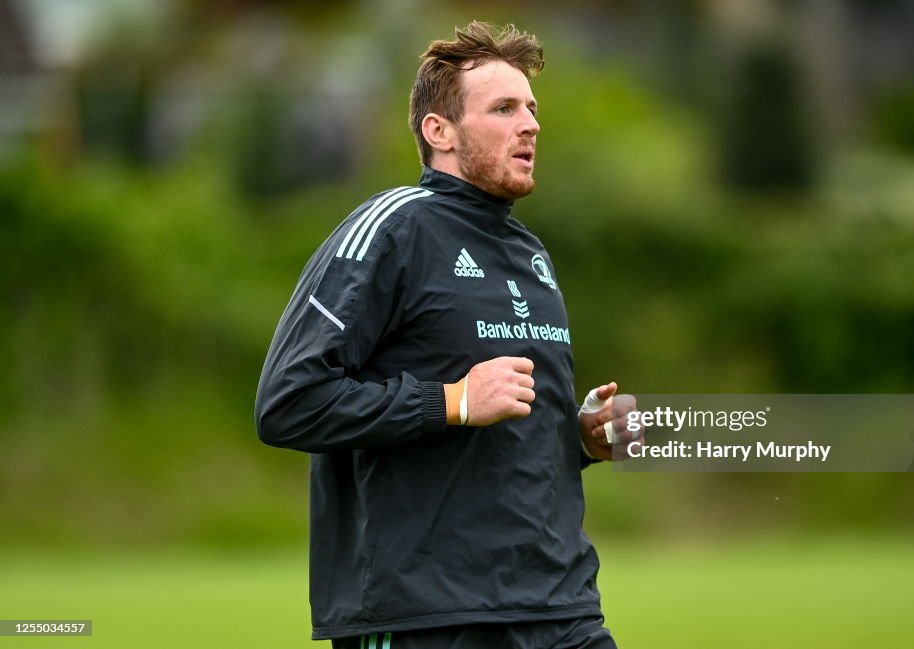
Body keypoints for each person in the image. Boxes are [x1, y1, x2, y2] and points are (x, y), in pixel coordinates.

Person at [255, 21, 635, 649]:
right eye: (504, 108)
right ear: (440, 131)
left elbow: (502, 430)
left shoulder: (530, 253)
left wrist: (582, 438)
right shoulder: (392, 229)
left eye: (532, 109)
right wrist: (451, 401)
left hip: (559, 608)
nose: (531, 124)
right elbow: (288, 403)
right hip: (429, 618)